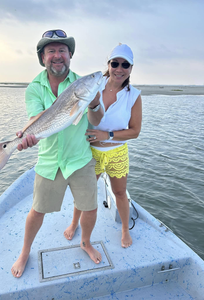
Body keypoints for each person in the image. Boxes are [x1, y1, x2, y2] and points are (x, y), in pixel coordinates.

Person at [11, 29, 104, 278]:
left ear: (70, 55)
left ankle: (85, 242)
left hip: (80, 159)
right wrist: (28, 134)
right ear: (43, 58)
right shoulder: (34, 88)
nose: (57, 55)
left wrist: (94, 103)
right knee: (37, 210)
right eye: (51, 51)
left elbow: (95, 120)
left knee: (90, 208)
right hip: (50, 160)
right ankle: (24, 251)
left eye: (62, 50)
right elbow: (36, 119)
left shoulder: (83, 84)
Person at [64, 43, 142, 248]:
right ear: (108, 64)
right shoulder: (93, 86)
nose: (119, 69)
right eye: (115, 63)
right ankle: (74, 223)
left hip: (117, 152)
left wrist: (106, 134)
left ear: (131, 68)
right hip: (90, 152)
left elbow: (134, 131)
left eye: (125, 65)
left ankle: (125, 229)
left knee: (120, 193)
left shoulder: (134, 95)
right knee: (85, 194)